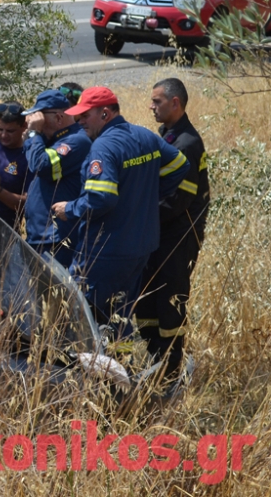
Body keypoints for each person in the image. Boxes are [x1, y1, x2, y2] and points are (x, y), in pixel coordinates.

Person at [50, 87, 189, 324]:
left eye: (85, 115)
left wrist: (69, 209)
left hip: (105, 251)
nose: (79, 121)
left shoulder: (103, 148)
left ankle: (95, 360)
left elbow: (100, 199)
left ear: (105, 114)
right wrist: (146, 194)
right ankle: (121, 358)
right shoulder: (145, 135)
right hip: (141, 247)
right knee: (119, 315)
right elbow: (179, 164)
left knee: (83, 316)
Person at [136, 78, 209, 380]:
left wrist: (137, 217)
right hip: (159, 236)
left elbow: (178, 201)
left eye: (157, 101)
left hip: (178, 239)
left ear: (175, 103)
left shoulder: (187, 144)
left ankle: (171, 370)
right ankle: (155, 362)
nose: (151, 106)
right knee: (148, 300)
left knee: (169, 303)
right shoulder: (167, 136)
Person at [21, 89, 92, 267]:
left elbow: (40, 166)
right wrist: (33, 137)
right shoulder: (53, 140)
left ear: (59, 118)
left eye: (40, 119)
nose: (36, 124)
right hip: (41, 236)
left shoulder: (76, 141)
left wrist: (33, 134)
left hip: (57, 238)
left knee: (55, 293)